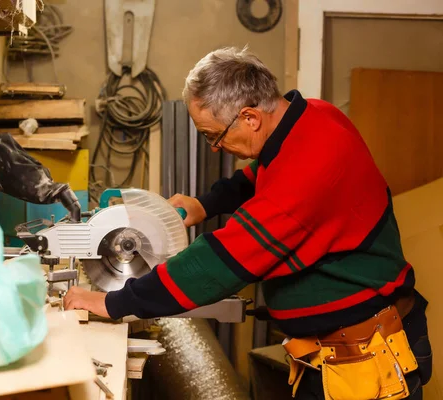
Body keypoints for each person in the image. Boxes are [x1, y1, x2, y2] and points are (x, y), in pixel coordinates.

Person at [64, 46, 432, 399]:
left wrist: (112, 302)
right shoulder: (314, 117)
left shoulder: (309, 172)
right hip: (336, 353)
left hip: (365, 361)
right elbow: (260, 175)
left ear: (250, 117)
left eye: (214, 136)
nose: (212, 148)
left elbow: (218, 263)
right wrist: (204, 205)